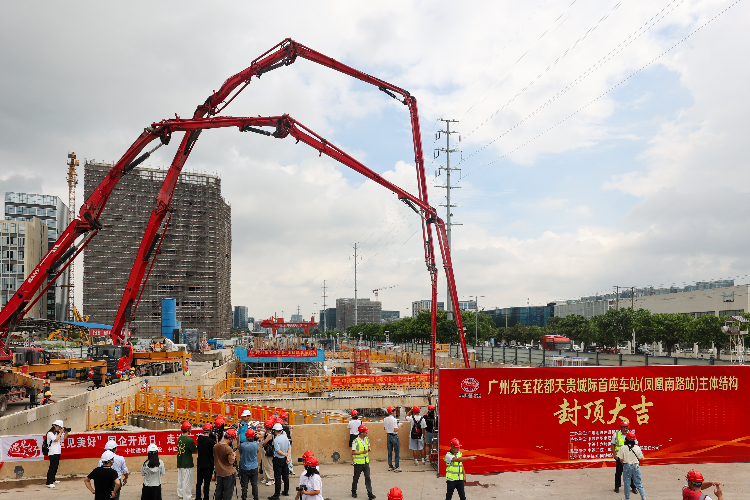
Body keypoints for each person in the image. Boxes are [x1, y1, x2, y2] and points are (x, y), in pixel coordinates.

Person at [617, 430, 646, 500]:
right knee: (639, 483)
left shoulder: (623, 447)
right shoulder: (637, 447)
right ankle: (643, 498)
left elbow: (620, 458)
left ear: (626, 439)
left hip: (627, 466)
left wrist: (623, 463)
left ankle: (627, 498)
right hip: (636, 466)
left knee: (627, 483)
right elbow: (641, 458)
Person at [611, 419, 637, 494]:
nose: (625, 429)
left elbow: (635, 444)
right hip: (620, 457)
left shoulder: (631, 434)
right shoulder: (616, 434)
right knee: (618, 472)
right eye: (624, 427)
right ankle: (617, 487)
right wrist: (614, 454)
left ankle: (633, 487)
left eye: (627, 427)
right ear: (621, 428)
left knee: (631, 472)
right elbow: (612, 444)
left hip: (629, 457)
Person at [351, 424, 376, 499]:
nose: (367, 433)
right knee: (356, 478)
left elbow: (368, 446)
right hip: (358, 463)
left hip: (366, 462)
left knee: (368, 478)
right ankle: (354, 491)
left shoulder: (366, 439)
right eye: (365, 432)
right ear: (361, 432)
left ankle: (370, 493)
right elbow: (353, 452)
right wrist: (362, 452)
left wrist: (369, 449)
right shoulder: (355, 441)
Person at [214, 428, 238, 500]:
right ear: (230, 439)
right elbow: (231, 462)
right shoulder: (228, 449)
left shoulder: (216, 446)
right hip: (228, 473)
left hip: (219, 472)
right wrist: (233, 455)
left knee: (219, 491)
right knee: (227, 492)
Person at [176, 421, 198, 500]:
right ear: (188, 430)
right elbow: (194, 450)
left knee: (181, 479)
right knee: (187, 481)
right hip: (187, 463)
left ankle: (180, 494)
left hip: (180, 461)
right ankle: (187, 497)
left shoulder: (179, 439)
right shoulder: (189, 440)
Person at [270, 422, 291, 500]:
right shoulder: (285, 437)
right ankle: (286, 491)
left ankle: (276, 495)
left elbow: (278, 451)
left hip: (278, 459)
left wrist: (285, 455)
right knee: (285, 476)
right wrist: (287, 457)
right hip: (285, 460)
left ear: (275, 431)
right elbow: (289, 448)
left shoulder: (276, 440)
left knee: (278, 477)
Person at [196, 423, 216, 500]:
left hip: (200, 463)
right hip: (209, 464)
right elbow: (215, 450)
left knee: (199, 482)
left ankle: (198, 497)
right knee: (207, 482)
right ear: (210, 431)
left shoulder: (199, 439)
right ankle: (206, 498)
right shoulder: (211, 441)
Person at [239, 428, 260, 500]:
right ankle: (256, 497)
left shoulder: (242, 445)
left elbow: (240, 452)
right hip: (254, 467)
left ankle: (244, 497)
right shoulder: (256, 444)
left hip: (245, 467)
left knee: (244, 485)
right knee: (254, 484)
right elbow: (257, 451)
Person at [46, 419, 67, 488]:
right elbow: (56, 440)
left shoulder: (57, 433)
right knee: (52, 467)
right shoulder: (50, 433)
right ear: (55, 426)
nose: (59, 429)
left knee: (56, 466)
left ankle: (53, 479)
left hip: (57, 452)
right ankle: (49, 482)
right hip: (52, 452)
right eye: (59, 427)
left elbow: (64, 438)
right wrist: (60, 432)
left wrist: (66, 432)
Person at [383, 406, 403, 472]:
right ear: (392, 412)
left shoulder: (385, 419)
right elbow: (395, 429)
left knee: (389, 452)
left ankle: (390, 466)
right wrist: (400, 426)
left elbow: (384, 428)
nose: (395, 412)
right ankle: (397, 467)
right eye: (394, 411)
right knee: (397, 452)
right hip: (394, 436)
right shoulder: (394, 420)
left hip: (388, 435)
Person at [261, 418, 275, 487]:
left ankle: (271, 479)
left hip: (269, 451)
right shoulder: (267, 433)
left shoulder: (270, 434)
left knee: (269, 465)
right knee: (264, 464)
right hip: (265, 450)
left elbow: (264, 442)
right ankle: (266, 478)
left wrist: (261, 439)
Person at [280, 411, 294, 476]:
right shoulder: (288, 426)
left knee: (287, 456)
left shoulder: (284, 427)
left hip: (286, 442)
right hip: (289, 441)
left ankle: (289, 469)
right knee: (289, 455)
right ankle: (290, 469)